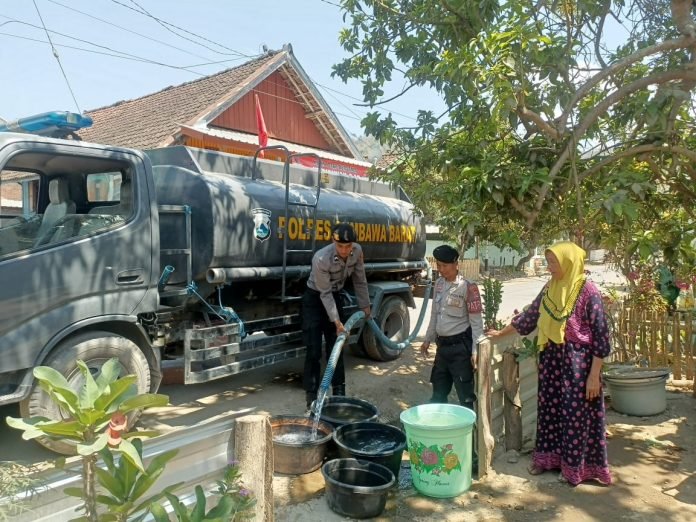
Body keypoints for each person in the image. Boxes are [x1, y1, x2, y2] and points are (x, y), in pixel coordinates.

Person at [487, 242, 612, 486]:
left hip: (580, 365)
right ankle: (548, 460)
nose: (549, 266)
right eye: (548, 261)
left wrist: (594, 376)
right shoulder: (549, 288)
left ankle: (576, 468)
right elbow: (529, 318)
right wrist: (500, 333)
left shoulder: (589, 292)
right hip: (553, 361)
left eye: (553, 262)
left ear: (568, 262)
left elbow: (601, 338)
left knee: (576, 415)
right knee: (550, 413)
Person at [302, 223, 371, 409]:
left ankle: (339, 392)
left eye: (348, 246)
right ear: (333, 242)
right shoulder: (321, 258)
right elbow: (324, 294)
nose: (344, 250)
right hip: (315, 299)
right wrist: (337, 322)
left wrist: (365, 305)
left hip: (336, 296)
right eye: (340, 246)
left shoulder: (357, 252)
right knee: (314, 349)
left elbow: (359, 279)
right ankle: (312, 396)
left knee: (337, 346)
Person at [420, 245, 483, 411]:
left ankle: (470, 434)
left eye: (444, 266)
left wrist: (475, 351)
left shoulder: (469, 287)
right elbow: (434, 314)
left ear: (456, 264)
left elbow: (476, 323)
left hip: (460, 350)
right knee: (438, 394)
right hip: (442, 350)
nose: (440, 270)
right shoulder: (439, 284)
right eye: (438, 265)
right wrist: (427, 339)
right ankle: (439, 430)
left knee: (466, 398)